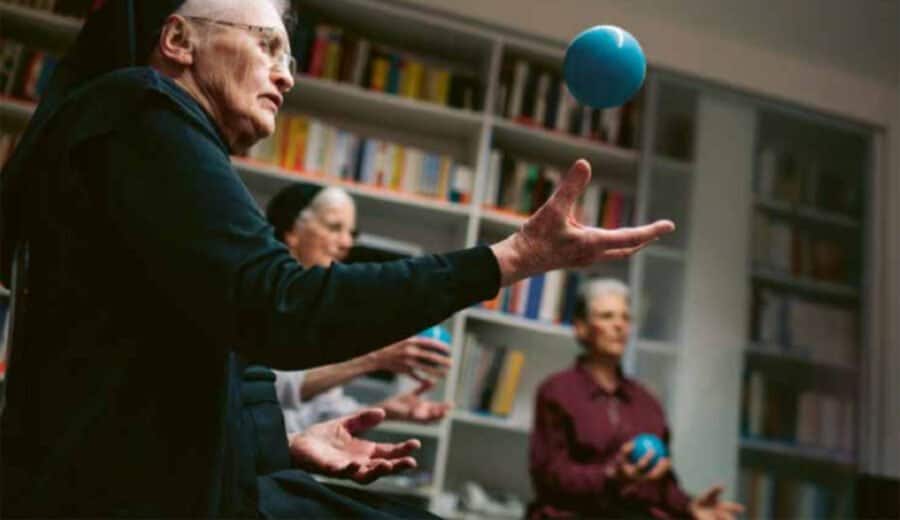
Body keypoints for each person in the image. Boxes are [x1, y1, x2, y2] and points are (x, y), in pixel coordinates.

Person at [0, 0, 674, 516]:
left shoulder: (144, 139)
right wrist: (511, 258)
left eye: (289, 55)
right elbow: (281, 306)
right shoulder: (141, 115)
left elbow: (196, 356)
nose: (286, 74)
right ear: (177, 40)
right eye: (267, 44)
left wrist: (284, 448)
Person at [528, 279, 742, 519]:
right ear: (581, 328)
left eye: (625, 318)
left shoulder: (647, 403)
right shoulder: (556, 391)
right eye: (607, 316)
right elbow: (549, 477)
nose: (619, 325)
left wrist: (690, 507)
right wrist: (612, 474)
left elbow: (662, 486)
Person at [265, 182, 453, 433]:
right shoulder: (261, 295)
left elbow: (320, 415)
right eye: (334, 227)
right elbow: (269, 388)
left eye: (351, 233)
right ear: (292, 231)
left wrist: (387, 410)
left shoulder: (320, 309)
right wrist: (376, 358)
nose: (346, 243)